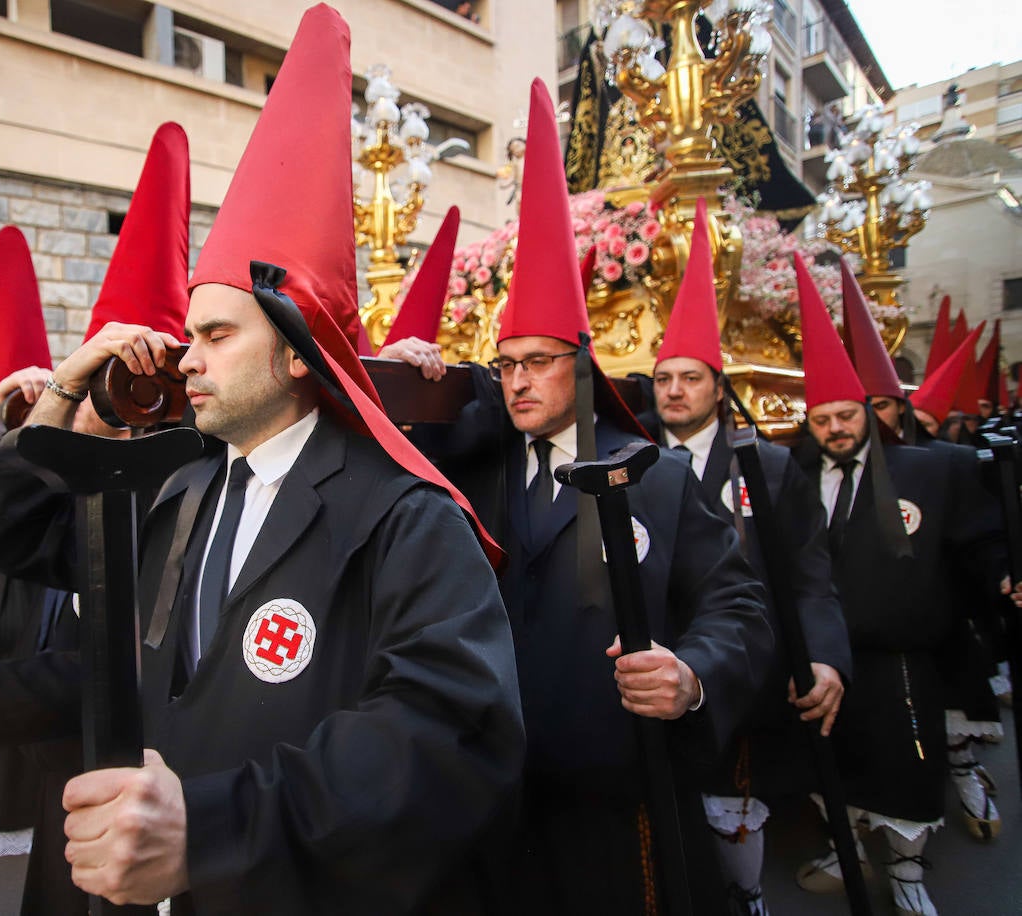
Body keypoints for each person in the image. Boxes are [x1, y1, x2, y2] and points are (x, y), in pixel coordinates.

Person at [0, 9, 524, 913]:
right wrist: (62, 393)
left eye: (215, 335)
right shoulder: (184, 492)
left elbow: (449, 736)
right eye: (188, 336)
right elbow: (60, 581)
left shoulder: (404, 513)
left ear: (300, 351)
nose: (187, 360)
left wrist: (212, 825)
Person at [414, 81, 771, 914]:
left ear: (580, 367)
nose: (518, 381)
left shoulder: (659, 478)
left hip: (623, 795)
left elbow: (739, 607)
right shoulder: (477, 474)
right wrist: (421, 376)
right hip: (496, 792)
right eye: (506, 365)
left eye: (539, 361)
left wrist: (694, 672)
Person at [790, 255, 1011, 916]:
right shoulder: (789, 478)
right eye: (822, 417)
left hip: (905, 660)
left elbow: (978, 543)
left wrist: (1006, 575)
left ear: (872, 412)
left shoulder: (933, 472)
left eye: (848, 414)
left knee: (906, 770)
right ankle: (844, 849)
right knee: (832, 767)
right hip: (826, 657)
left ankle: (908, 872)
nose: (836, 428)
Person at [646, 202, 849, 915]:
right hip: (654, 671)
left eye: (690, 378)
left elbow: (808, 571)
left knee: (736, 804)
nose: (673, 390)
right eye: (663, 377)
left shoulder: (765, 465)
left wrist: (825, 657)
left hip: (744, 671)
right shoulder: (629, 466)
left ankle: (748, 894)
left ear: (717, 385)